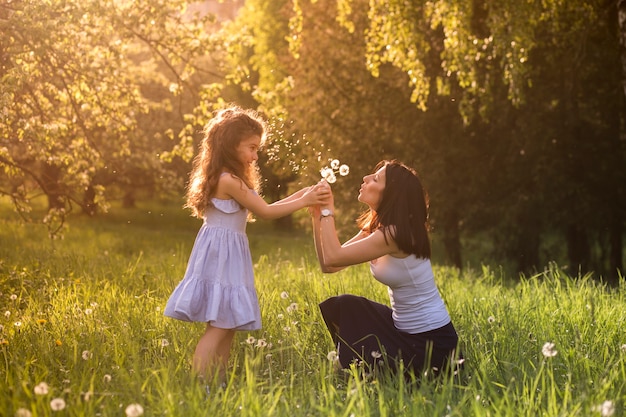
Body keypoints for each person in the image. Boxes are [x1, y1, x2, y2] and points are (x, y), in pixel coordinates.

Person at [164, 105, 329, 387]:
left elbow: (265, 207)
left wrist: (303, 195)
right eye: (251, 148)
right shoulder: (228, 181)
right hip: (221, 254)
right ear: (231, 145)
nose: (255, 156)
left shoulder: (228, 178)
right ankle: (199, 387)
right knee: (218, 328)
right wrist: (304, 200)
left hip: (226, 252)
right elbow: (265, 212)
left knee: (226, 324)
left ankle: (218, 384)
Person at [310, 160, 461, 378]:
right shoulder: (379, 228)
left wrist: (327, 211)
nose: (365, 179)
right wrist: (318, 217)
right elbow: (330, 264)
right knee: (347, 306)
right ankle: (358, 370)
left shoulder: (396, 234)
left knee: (350, 310)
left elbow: (334, 256)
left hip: (431, 345)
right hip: (405, 331)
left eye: (376, 179)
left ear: (391, 194)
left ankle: (360, 373)